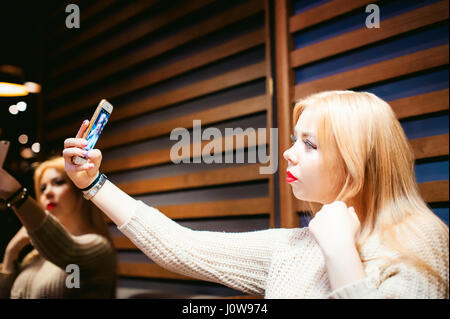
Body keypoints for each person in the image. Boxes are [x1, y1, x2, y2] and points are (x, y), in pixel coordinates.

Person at [62, 90, 448, 298]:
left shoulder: (421, 242)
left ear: (356, 160)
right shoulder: (296, 246)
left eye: (309, 144)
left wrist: (340, 252)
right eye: (295, 140)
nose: (288, 152)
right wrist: (92, 183)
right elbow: (182, 247)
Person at [0, 157, 116, 298]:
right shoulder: (35, 257)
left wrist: (15, 194)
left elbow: (68, 251)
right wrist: (10, 253)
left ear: (79, 192)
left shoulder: (99, 248)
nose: (47, 192)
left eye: (58, 183)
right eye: (42, 188)